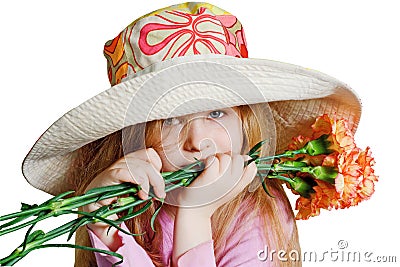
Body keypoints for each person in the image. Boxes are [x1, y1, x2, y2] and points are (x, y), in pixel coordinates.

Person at [21, 2, 362, 266]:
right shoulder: (134, 204)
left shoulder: (259, 211)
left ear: (245, 123)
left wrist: (195, 218)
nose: (198, 141)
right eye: (170, 120)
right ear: (135, 136)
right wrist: (101, 219)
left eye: (216, 113)